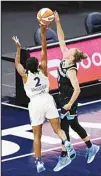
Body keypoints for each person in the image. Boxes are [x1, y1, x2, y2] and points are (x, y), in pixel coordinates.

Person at [12, 25, 76, 173]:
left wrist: (18, 48)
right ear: (38, 65)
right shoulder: (44, 69)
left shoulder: (25, 75)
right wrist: (43, 33)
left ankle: (39, 162)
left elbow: (17, 63)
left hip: (35, 104)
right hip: (47, 100)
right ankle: (66, 142)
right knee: (57, 129)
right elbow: (44, 49)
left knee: (37, 136)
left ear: (27, 67)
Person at [53, 11, 100, 172]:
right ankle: (91, 147)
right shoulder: (65, 56)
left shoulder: (71, 69)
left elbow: (78, 89)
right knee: (72, 124)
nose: (68, 49)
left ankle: (64, 156)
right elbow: (61, 38)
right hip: (63, 98)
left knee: (64, 126)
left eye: (71, 51)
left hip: (68, 101)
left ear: (72, 58)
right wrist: (57, 22)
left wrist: (69, 105)